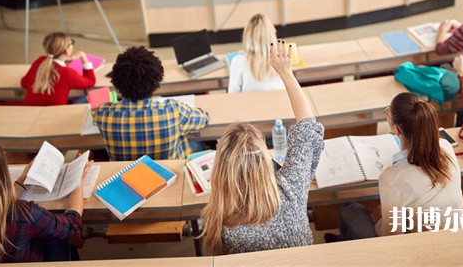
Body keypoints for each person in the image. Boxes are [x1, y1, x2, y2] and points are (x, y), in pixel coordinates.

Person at [201, 39, 324, 255]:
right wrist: (286, 73)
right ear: (264, 162)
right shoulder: (290, 190)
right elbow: (307, 127)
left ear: (221, 171)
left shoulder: (220, 221)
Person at [333, 93, 463, 240]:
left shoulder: (392, 178)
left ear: (397, 130)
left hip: (418, 248)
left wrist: (380, 220)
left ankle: (346, 247)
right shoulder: (446, 147)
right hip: (453, 236)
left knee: (349, 208)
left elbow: (391, 236)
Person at [0, 134, 93, 263]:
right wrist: (78, 181)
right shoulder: (25, 214)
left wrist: (22, 180)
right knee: (56, 236)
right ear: (1, 175)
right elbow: (71, 225)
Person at [96, 46, 209, 161]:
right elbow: (204, 119)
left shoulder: (102, 114)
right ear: (157, 81)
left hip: (125, 175)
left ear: (116, 83)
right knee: (197, 142)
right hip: (170, 174)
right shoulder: (173, 110)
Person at [21, 32, 96, 106]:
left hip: (32, 114)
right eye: (71, 43)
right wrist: (83, 56)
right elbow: (91, 81)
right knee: (96, 95)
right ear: (66, 50)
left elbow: (24, 83)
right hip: (59, 115)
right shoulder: (67, 73)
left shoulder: (39, 61)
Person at [228, 14, 285, 93]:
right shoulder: (282, 59)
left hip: (249, 104)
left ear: (247, 35)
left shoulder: (238, 61)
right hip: (280, 104)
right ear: (272, 33)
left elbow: (232, 94)